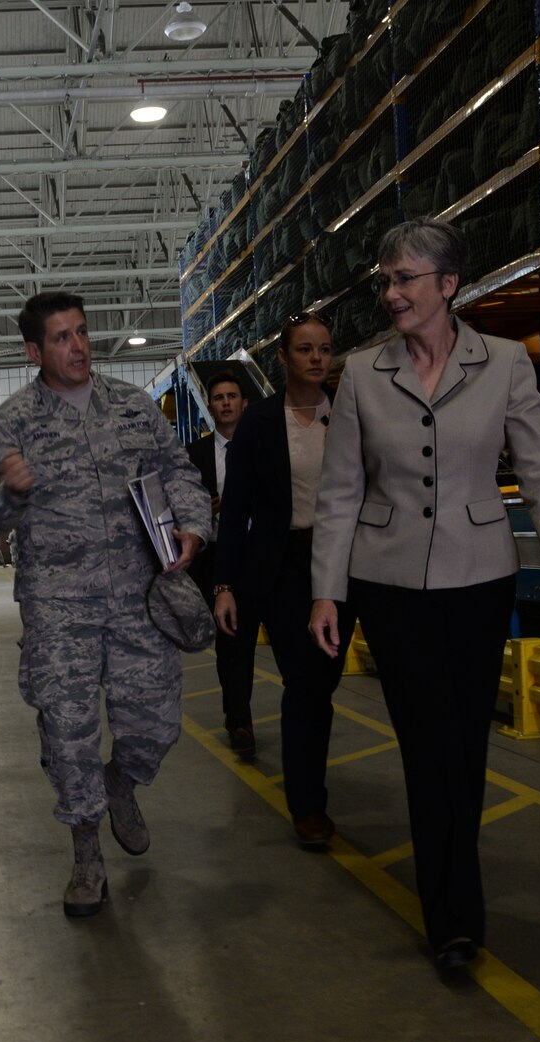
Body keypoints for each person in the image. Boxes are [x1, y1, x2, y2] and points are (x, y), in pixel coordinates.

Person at [309, 219, 540, 985]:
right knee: (428, 747)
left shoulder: (503, 364)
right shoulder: (362, 375)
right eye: (385, 281)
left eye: (405, 279)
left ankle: (455, 890)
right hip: (389, 587)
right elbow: (339, 495)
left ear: (448, 285)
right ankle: (454, 919)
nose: (391, 293)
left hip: (479, 581)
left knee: (466, 748)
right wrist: (326, 592)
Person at [0, 292, 211, 918]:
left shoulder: (133, 407)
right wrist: (11, 492)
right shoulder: (13, 422)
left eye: (82, 333)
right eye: (61, 338)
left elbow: (180, 471)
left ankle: (122, 784)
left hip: (140, 599)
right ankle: (85, 854)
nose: (78, 347)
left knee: (155, 723)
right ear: (34, 352)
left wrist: (192, 525)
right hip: (59, 610)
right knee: (70, 732)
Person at [215, 315, 357, 847]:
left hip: (343, 564)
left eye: (324, 348)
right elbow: (235, 511)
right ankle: (308, 805)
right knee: (305, 682)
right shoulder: (259, 423)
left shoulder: (348, 413)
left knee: (323, 680)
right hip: (284, 570)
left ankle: (308, 788)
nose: (317, 358)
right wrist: (225, 583)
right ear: (283, 358)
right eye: (304, 349)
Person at [187, 369, 256, 758]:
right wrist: (201, 508)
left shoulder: (262, 447)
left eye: (232, 396)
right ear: (210, 406)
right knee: (231, 641)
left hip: (258, 554)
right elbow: (178, 503)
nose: (226, 402)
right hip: (215, 557)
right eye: (219, 397)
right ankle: (239, 719)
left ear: (244, 403)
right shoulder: (195, 455)